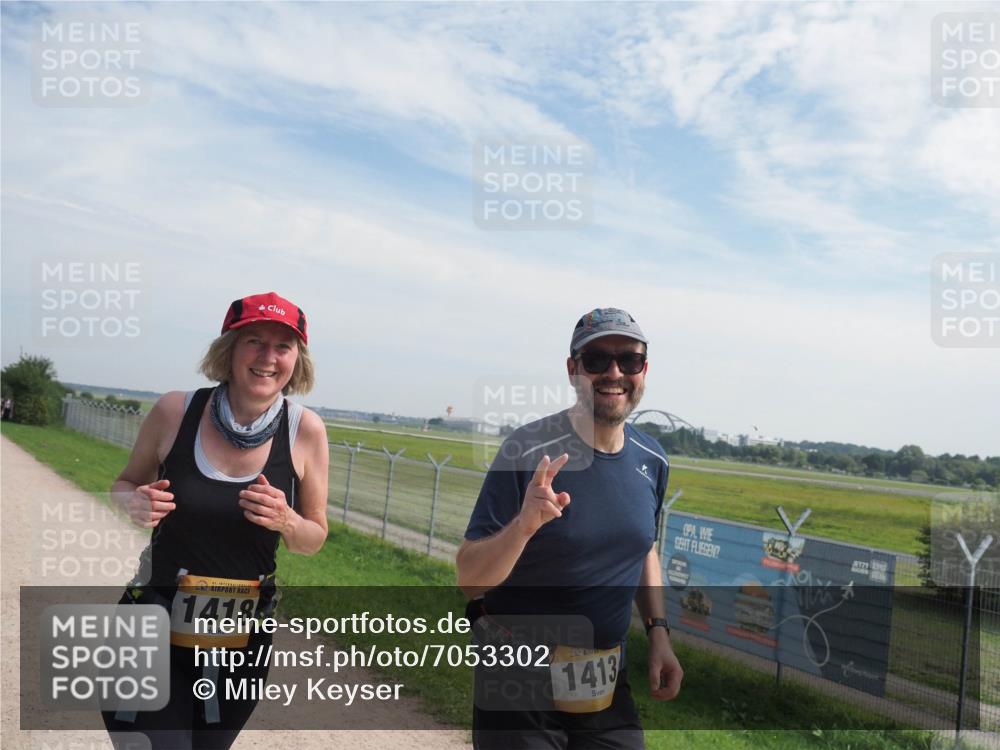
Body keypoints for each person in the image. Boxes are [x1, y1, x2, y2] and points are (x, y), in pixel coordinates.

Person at [102, 292, 330, 750]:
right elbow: (124, 484)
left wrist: (286, 520)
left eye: (283, 346)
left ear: (296, 359)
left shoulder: (305, 431)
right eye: (254, 341)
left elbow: (313, 537)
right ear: (229, 349)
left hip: (241, 643)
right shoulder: (175, 411)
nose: (268, 357)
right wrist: (134, 502)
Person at [456, 307, 683, 750]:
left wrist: (658, 633)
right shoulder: (527, 450)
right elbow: (468, 578)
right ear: (573, 369)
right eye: (597, 359)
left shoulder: (652, 459)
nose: (614, 372)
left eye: (629, 360)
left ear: (644, 370)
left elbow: (643, 548)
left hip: (602, 678)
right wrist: (523, 526)